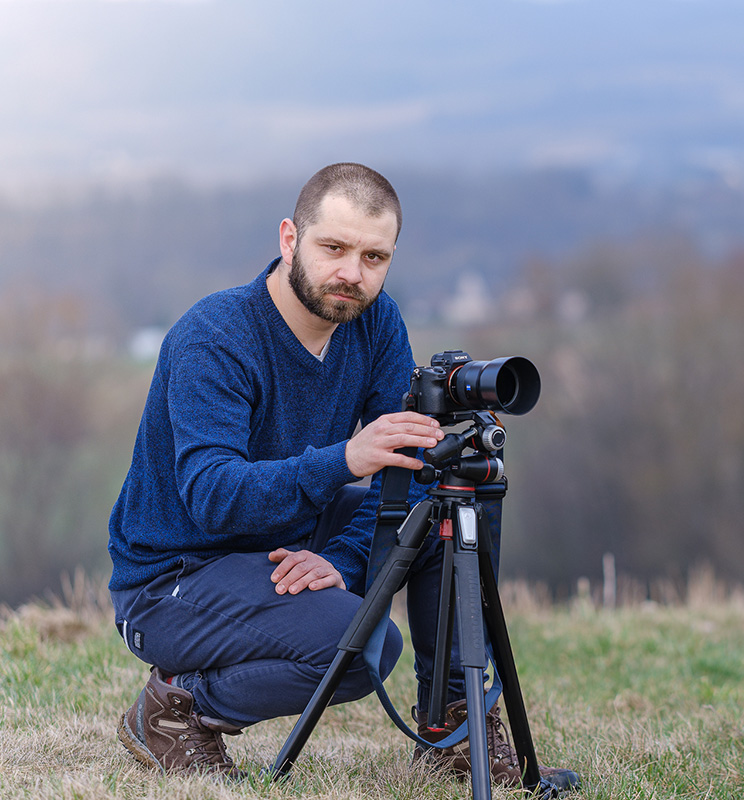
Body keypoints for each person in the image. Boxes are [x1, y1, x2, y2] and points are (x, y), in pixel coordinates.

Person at [107, 162, 579, 791]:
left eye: (374, 256)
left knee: (447, 503)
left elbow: (408, 465)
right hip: (177, 575)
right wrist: (347, 459)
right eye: (334, 248)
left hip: (285, 541)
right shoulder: (216, 335)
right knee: (364, 648)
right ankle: (175, 706)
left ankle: (453, 734)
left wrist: (346, 559)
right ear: (289, 239)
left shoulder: (376, 323)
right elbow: (212, 495)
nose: (353, 274)